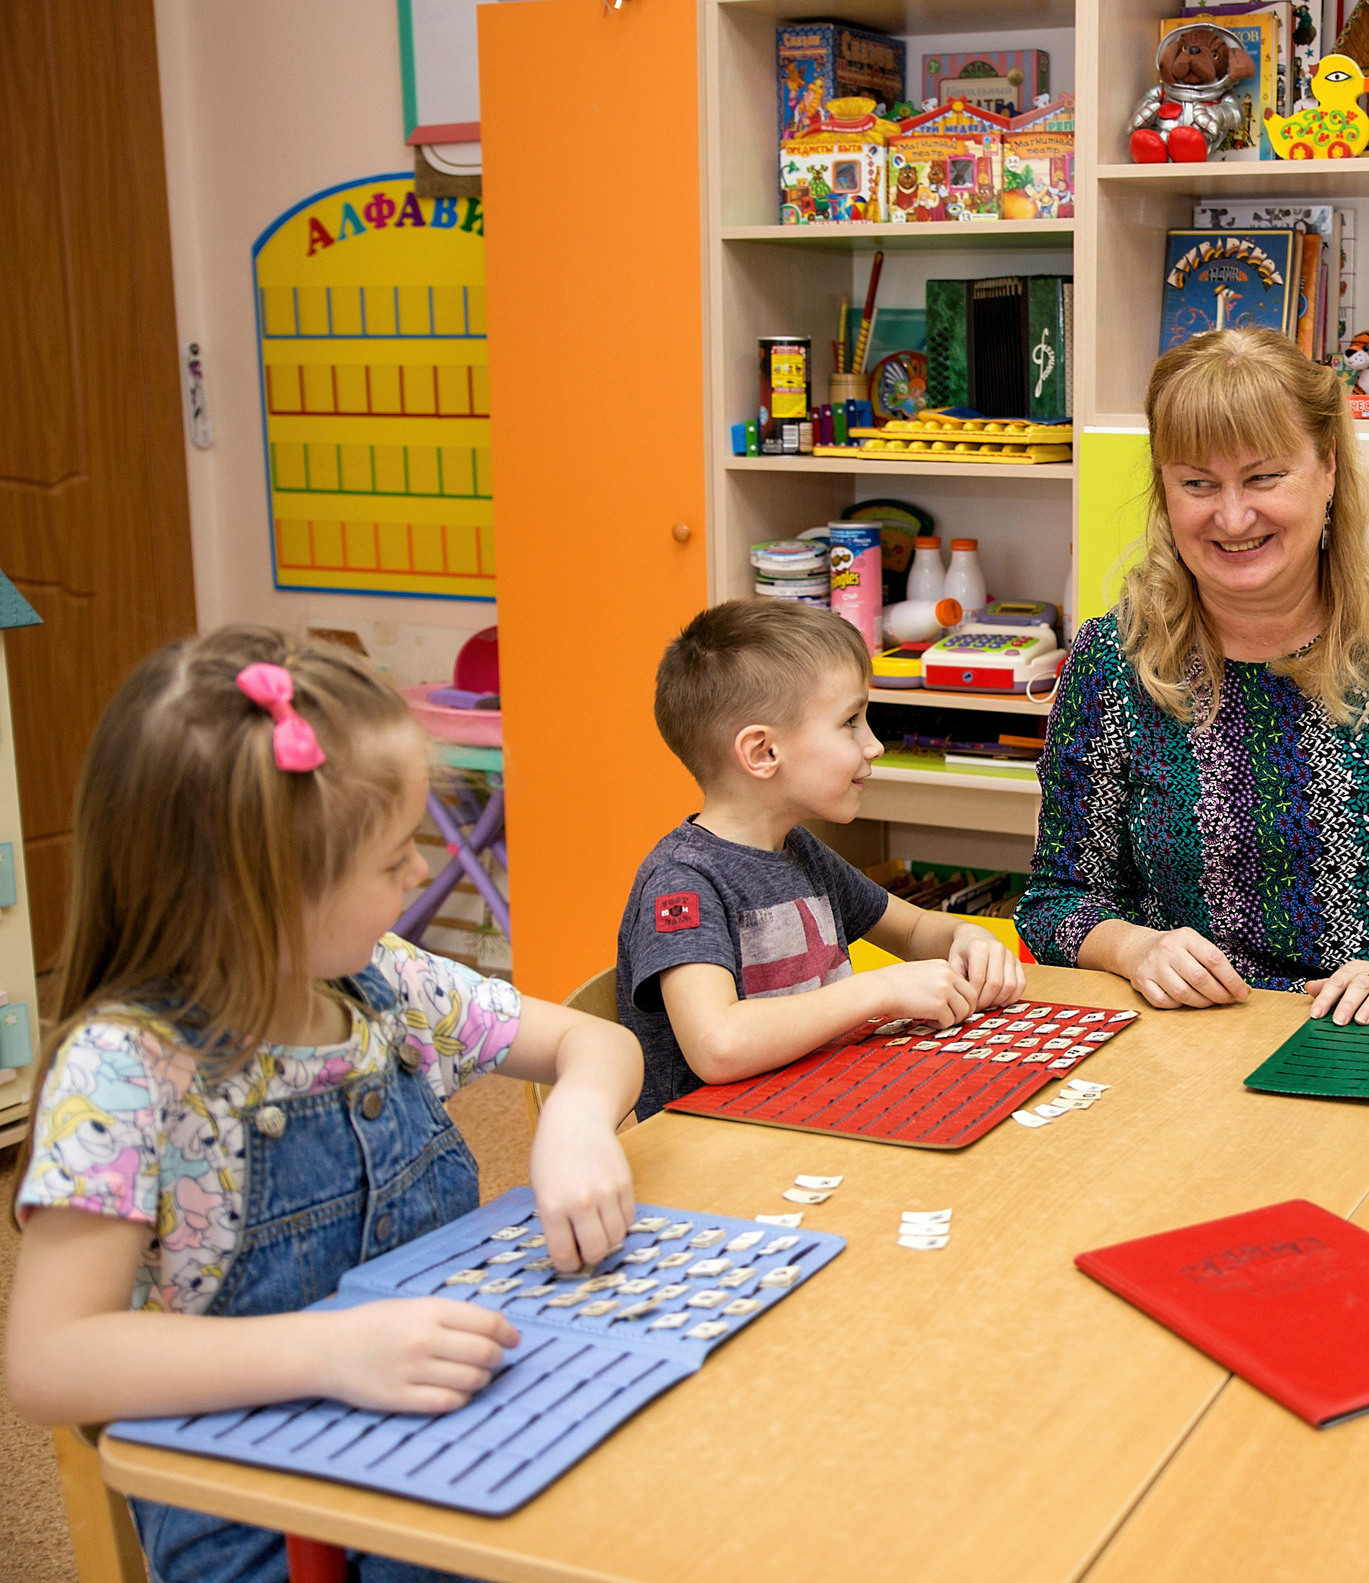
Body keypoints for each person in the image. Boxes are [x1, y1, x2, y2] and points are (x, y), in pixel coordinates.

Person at [6, 629, 644, 1583]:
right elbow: (48, 1359)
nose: (420, 876)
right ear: (264, 895)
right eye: (393, 859)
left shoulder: (382, 982)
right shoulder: (128, 1069)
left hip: (447, 1435)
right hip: (257, 1509)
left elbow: (597, 1039)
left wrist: (577, 1118)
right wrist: (330, 1351)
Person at [1017, 328, 1369, 1019]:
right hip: (1184, 1045)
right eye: (1198, 483)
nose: (1232, 516)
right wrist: (1134, 949)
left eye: (1263, 477)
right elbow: (1056, 900)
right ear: (1166, 492)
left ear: (1329, 469)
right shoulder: (1114, 657)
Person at [617, 599, 1024, 1119]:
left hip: (831, 1109)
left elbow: (915, 929)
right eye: (850, 722)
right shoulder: (681, 882)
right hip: (725, 1157)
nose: (874, 745)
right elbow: (717, 1045)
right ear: (763, 752)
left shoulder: (797, 850)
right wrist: (877, 990)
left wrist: (966, 938)